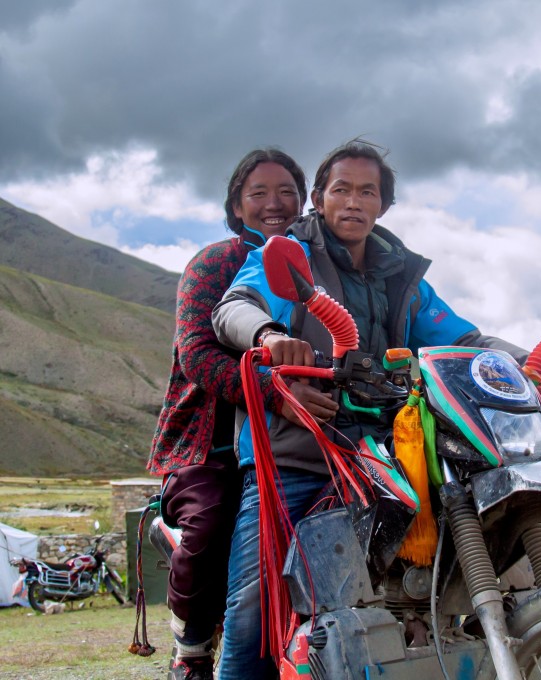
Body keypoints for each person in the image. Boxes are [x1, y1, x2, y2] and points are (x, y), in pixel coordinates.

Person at [211, 139, 541, 678]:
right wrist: (271, 335)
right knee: (254, 604)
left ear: (383, 205)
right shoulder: (288, 253)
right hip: (298, 449)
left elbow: (462, 337)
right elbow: (234, 307)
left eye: (366, 191)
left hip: (383, 451)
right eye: (340, 189)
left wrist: (527, 362)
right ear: (318, 199)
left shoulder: (401, 275)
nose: (353, 202)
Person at [148, 148, 312, 680]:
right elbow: (195, 354)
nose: (274, 203)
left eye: (287, 191)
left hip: (294, 436)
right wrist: (271, 388)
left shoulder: (316, 262)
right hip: (211, 441)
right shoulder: (214, 263)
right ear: (237, 206)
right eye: (258, 193)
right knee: (213, 519)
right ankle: (192, 647)